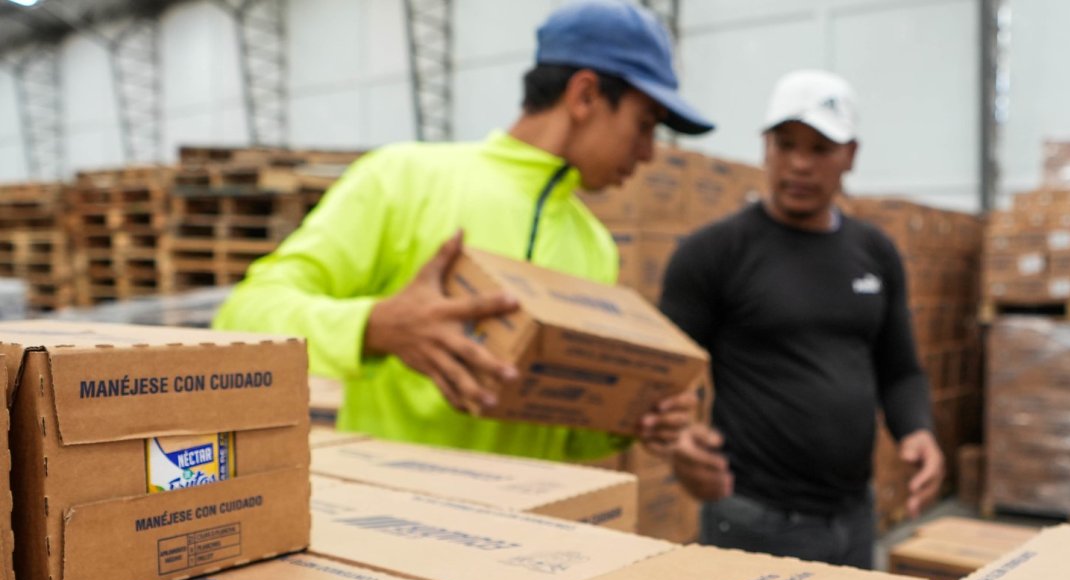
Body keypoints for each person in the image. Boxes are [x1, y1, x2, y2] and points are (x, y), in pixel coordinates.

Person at [213, 0, 713, 462]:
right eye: (644, 124)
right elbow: (242, 317)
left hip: (521, 541)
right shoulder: (404, 178)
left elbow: (562, 434)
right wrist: (374, 328)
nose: (649, 153)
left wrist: (632, 420)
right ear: (584, 95)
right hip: (390, 524)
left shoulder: (594, 246)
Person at [660, 70, 944, 569]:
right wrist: (680, 439)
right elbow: (662, 376)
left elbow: (899, 369)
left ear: (850, 155)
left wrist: (916, 430)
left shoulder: (874, 253)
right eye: (785, 144)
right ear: (765, 148)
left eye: (819, 149)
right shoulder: (713, 253)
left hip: (856, 517)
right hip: (751, 518)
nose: (799, 164)